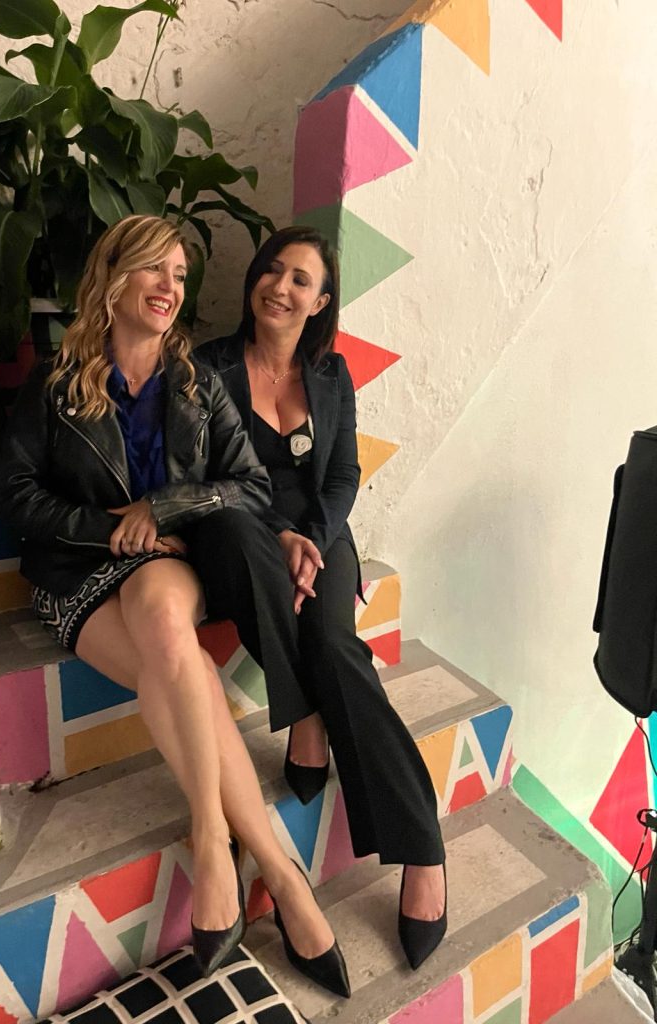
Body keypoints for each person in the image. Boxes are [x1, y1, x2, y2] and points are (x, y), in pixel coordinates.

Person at [0, 215, 350, 997]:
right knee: (182, 663)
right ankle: (278, 869)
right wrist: (110, 529)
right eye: (154, 268)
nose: (169, 287)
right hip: (78, 571)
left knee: (162, 616)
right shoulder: (56, 383)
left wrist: (163, 510)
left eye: (181, 275)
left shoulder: (194, 383)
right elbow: (15, 493)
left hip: (165, 564)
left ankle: (213, 839)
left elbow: (249, 484)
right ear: (113, 276)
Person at [195, 225, 447, 970]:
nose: (280, 287)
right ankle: (306, 715)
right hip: (240, 529)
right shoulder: (209, 367)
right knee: (247, 549)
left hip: (321, 535)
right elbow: (205, 472)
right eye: (271, 270)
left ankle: (423, 849)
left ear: (321, 300)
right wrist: (279, 536)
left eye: (300, 279)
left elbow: (342, 476)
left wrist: (312, 537)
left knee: (336, 643)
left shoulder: (332, 375)